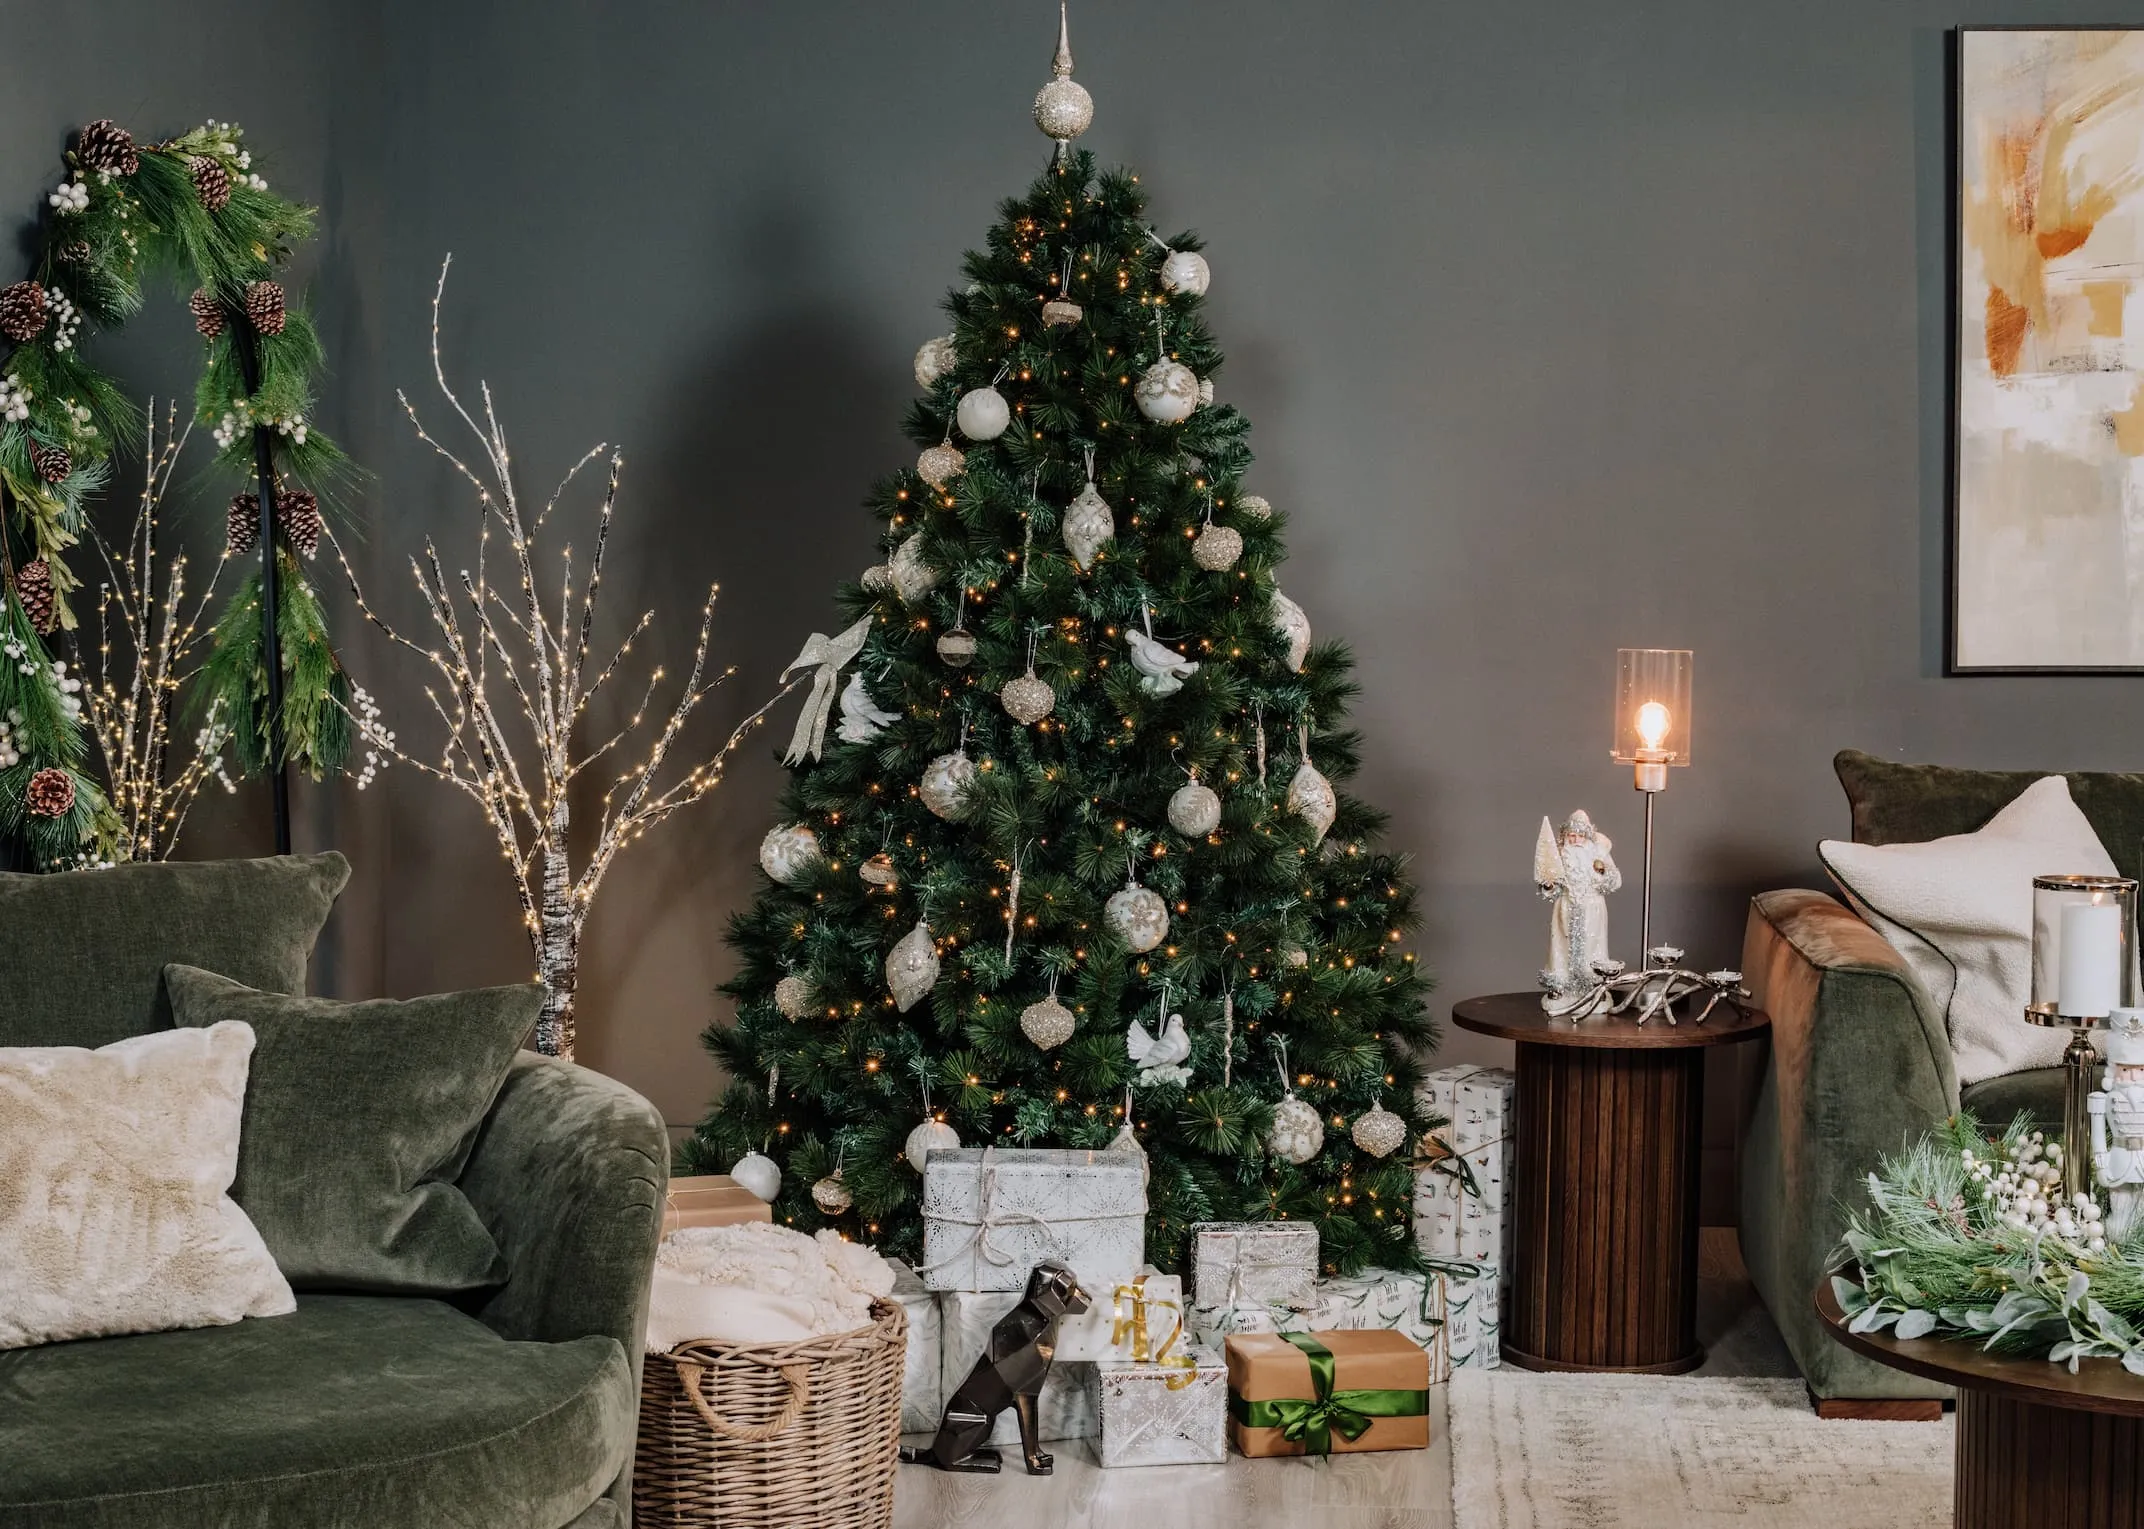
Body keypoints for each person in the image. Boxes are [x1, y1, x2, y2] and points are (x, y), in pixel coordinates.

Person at [1534, 809, 1621, 1015]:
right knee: (1561, 946)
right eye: (1571, 835)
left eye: (1580, 835)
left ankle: (1593, 988)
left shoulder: (1598, 853)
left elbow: (1614, 881)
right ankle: (1560, 987)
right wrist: (1549, 885)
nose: (1575, 840)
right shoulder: (1560, 855)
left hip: (1592, 910)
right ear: (1566, 836)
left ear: (1587, 836)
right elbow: (1552, 884)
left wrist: (1602, 871)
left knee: (1593, 946)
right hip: (1565, 907)